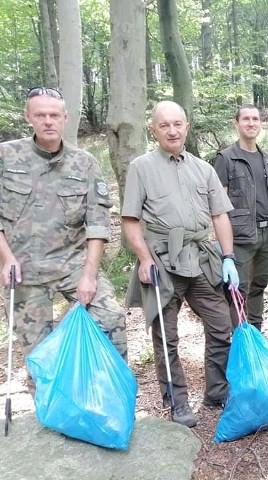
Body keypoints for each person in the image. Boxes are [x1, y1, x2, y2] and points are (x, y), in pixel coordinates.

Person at [0, 87, 127, 391]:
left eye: (54, 115)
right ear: (28, 117)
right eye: (40, 115)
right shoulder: (6, 156)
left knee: (111, 317)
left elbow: (97, 224)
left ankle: (112, 393)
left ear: (65, 118)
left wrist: (89, 275)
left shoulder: (84, 163)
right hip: (24, 270)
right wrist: (6, 260)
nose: (48, 121)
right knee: (38, 353)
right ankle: (49, 413)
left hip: (73, 264)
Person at [122, 100, 238, 427]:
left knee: (221, 325)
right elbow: (130, 221)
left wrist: (228, 258)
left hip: (201, 260)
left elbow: (220, 216)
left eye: (177, 123)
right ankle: (177, 402)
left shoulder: (204, 169)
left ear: (186, 126)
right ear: (154, 130)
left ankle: (217, 391)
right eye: (164, 125)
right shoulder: (141, 168)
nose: (172, 130)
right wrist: (144, 258)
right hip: (162, 260)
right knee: (166, 336)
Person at [214, 105, 268, 331]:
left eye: (255, 119)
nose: (251, 123)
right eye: (246, 119)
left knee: (259, 286)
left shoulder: (267, 158)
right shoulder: (226, 158)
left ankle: (256, 334)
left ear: (260, 124)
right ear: (237, 124)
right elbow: (217, 203)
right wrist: (223, 246)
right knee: (238, 289)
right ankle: (240, 337)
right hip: (240, 235)